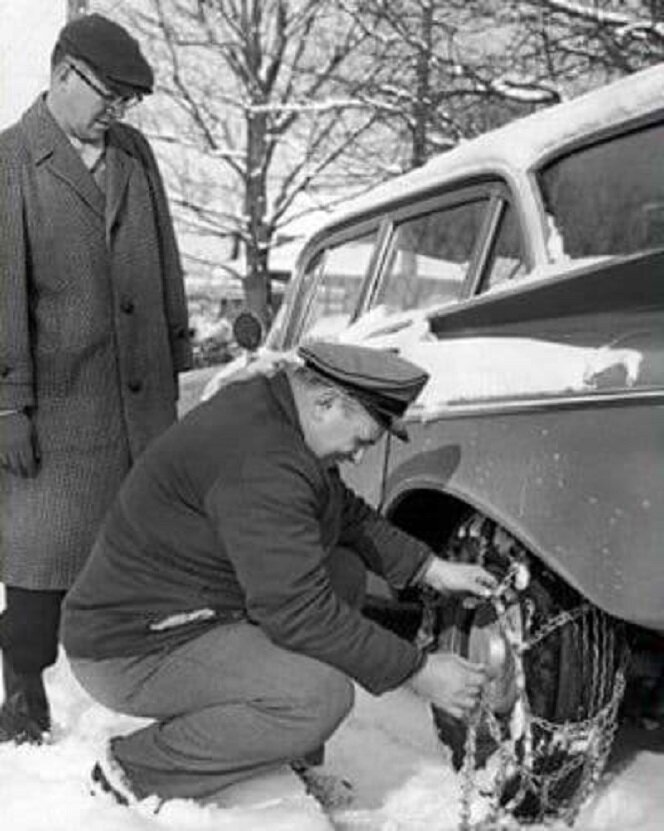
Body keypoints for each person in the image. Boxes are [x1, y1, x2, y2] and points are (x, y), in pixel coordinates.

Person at [61, 340, 496, 807]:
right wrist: (420, 670)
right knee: (318, 698)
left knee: (343, 570)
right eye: (365, 439)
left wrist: (430, 568)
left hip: (187, 609)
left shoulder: (278, 414)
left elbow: (342, 511)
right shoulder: (263, 461)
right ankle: (133, 769)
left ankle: (286, 755)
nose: (359, 457)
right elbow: (299, 614)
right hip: (133, 645)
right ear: (327, 403)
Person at [0, 14, 192, 744]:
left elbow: (166, 256)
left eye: (127, 101)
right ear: (62, 75)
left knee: (141, 549)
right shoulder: (12, 159)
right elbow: (0, 291)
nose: (117, 112)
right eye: (108, 94)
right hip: (54, 404)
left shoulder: (135, 154)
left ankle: (140, 683)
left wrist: (176, 354)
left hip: (139, 397)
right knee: (39, 563)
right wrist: (6, 404)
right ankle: (22, 690)